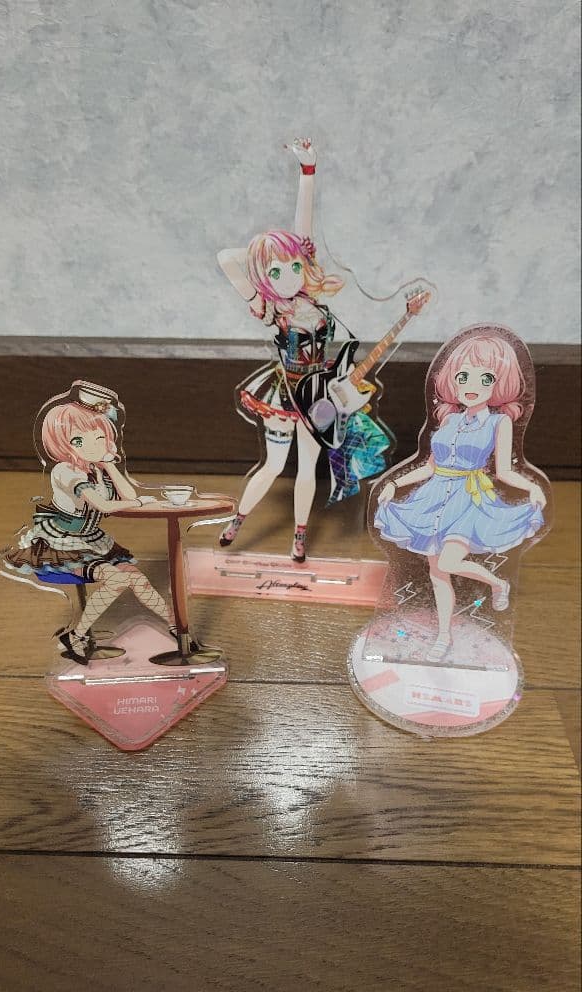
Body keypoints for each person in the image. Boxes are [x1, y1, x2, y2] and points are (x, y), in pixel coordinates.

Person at [217, 137, 390, 561]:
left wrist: (307, 171)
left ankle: (299, 535)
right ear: (264, 276)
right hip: (286, 392)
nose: (290, 275)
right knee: (275, 464)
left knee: (309, 465)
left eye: (295, 265)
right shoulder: (268, 308)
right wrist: (263, 253)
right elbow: (225, 258)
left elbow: (304, 230)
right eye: (277, 271)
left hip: (320, 393)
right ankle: (237, 520)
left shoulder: (313, 302)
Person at [373, 329, 547, 661]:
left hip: (469, 500)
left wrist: (532, 487)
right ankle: (443, 636)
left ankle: (497, 584)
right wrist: (395, 484)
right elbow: (429, 467)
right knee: (438, 573)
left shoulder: (498, 423)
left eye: (485, 378)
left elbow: (505, 471)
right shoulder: (449, 420)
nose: (471, 385)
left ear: (499, 384)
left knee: (450, 562)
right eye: (463, 376)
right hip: (434, 497)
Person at [2, 385, 176, 665]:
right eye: (79, 440)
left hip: (92, 539)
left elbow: (127, 494)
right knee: (117, 580)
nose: (94, 445)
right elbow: (103, 505)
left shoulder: (97, 470)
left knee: (137, 578)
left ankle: (177, 628)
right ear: (63, 444)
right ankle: (76, 637)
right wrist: (136, 503)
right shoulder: (65, 471)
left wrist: (109, 465)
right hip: (63, 542)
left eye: (100, 437)